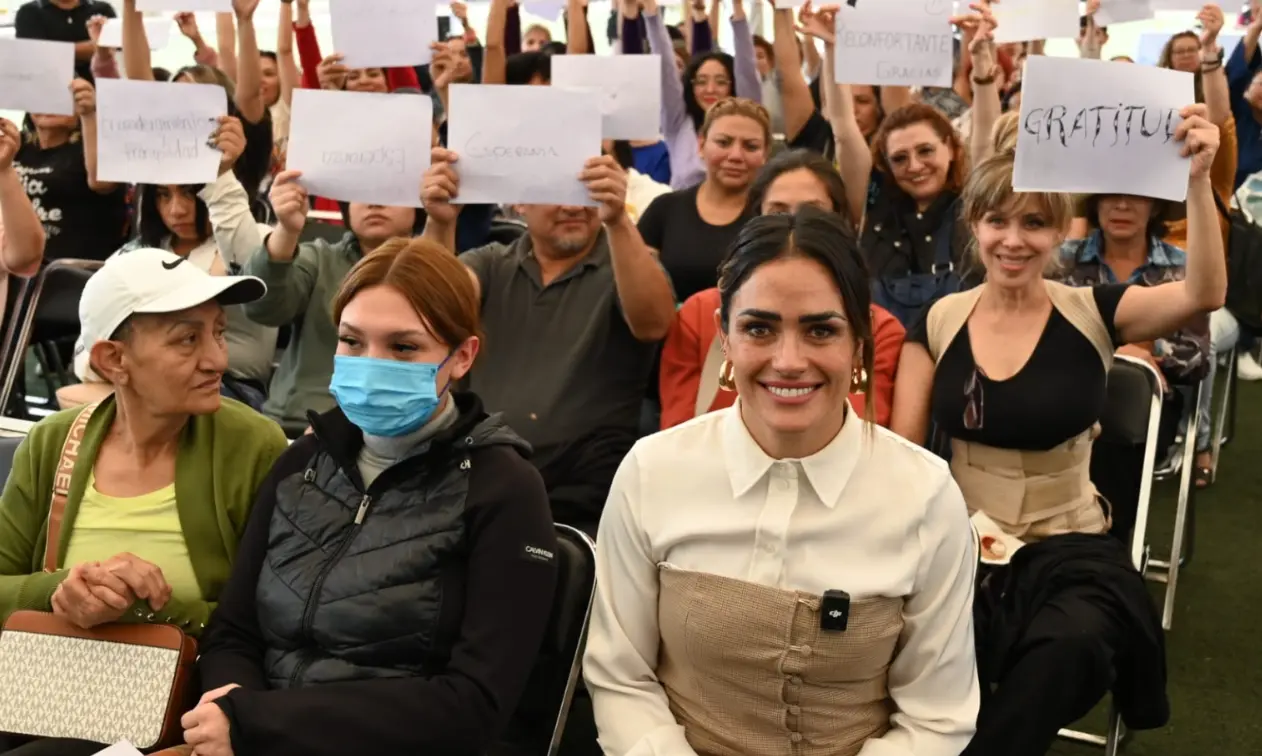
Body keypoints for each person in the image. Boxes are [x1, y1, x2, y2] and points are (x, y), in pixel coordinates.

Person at [890, 104, 1224, 754]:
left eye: (1034, 223)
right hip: (959, 546)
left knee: (1068, 649)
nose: (1013, 240)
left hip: (1071, 548)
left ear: (1058, 232)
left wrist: (1198, 180)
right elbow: (903, 456)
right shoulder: (935, 323)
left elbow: (1204, 293)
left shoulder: (1096, 310)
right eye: (997, 221)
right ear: (975, 225)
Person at [584, 207, 979, 756]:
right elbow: (621, 675)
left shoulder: (926, 496)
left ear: (860, 345)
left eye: (820, 330)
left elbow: (937, 719)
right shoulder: (653, 471)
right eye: (759, 328)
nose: (788, 361)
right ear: (725, 339)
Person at [184, 238, 558, 756]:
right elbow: (234, 631)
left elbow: (474, 704)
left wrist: (261, 722)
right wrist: (232, 709)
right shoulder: (302, 463)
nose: (370, 362)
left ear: (462, 356)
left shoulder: (504, 490)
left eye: (403, 348)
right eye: (352, 341)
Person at [0, 248, 288, 756]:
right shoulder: (52, 442)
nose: (217, 359)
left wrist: (149, 609)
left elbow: (270, 623)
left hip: (179, 716)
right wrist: (60, 593)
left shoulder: (253, 446)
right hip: (42, 691)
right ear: (114, 359)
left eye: (219, 332)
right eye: (187, 340)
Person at [421, 146, 676, 534]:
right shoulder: (490, 263)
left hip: (585, 493)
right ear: (519, 203)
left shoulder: (626, 262)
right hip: (479, 474)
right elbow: (427, 314)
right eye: (556, 190)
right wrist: (439, 225)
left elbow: (654, 323)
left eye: (583, 191)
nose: (573, 206)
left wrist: (620, 223)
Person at [660, 150, 906, 429]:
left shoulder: (882, 330)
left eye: (821, 331)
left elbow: (872, 438)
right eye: (757, 329)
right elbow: (678, 434)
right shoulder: (700, 313)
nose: (795, 225)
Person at [245, 170, 426, 436]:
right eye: (361, 192)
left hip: (400, 429)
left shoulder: (433, 270)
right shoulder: (319, 258)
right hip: (299, 422)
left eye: (390, 190)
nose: (374, 203)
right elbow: (263, 308)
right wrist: (286, 230)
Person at [637, 97, 770, 304]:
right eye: (723, 142)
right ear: (701, 145)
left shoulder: (771, 218)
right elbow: (636, 289)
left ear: (765, 155)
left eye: (750, 146)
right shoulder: (664, 210)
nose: (735, 155)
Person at [14, 0, 116, 81]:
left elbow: (112, 50)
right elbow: (34, 55)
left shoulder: (103, 10)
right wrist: (93, 47)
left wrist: (53, 50)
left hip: (97, 92)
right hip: (47, 91)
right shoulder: (28, 12)